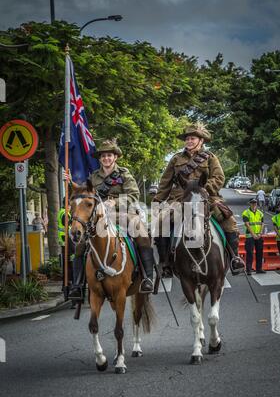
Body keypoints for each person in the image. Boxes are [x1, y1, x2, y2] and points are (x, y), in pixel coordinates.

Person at [65, 139, 154, 299]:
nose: (106, 158)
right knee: (80, 244)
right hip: (99, 217)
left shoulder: (124, 174)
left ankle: (147, 278)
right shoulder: (93, 176)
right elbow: (83, 194)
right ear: (99, 159)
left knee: (141, 234)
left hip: (123, 214)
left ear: (115, 157)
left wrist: (116, 202)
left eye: (109, 155)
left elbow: (134, 195)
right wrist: (70, 182)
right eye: (103, 156)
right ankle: (77, 285)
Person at [153, 123, 245, 277]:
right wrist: (157, 201)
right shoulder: (176, 159)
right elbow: (165, 182)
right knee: (161, 223)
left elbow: (219, 177)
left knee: (229, 221)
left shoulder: (210, 157)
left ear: (201, 140)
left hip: (206, 197)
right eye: (187, 138)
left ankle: (235, 258)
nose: (189, 141)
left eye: (192, 138)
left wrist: (203, 190)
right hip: (179, 198)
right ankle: (165, 263)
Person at [242, 198, 265, 275]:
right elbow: (247, 225)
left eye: (255, 203)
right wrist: (253, 234)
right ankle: (249, 270)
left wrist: (260, 233)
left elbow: (262, 224)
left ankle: (259, 269)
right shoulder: (246, 213)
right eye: (252, 203)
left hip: (259, 236)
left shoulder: (260, 213)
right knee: (250, 253)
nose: (254, 204)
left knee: (260, 253)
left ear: (257, 204)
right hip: (250, 236)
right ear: (249, 203)